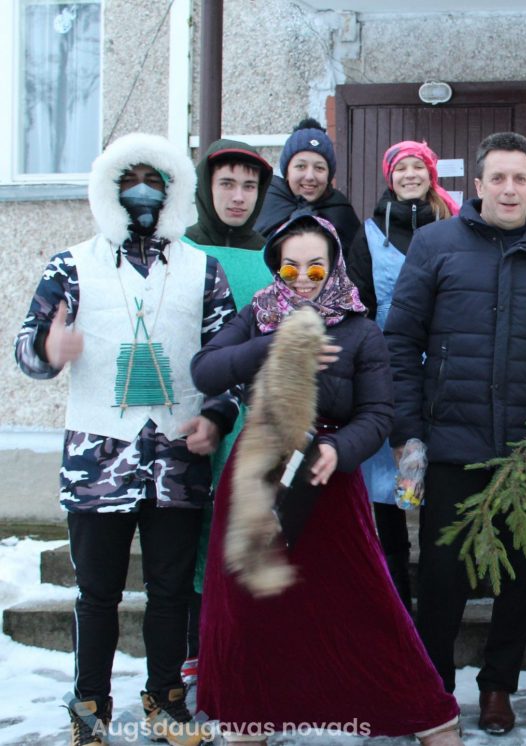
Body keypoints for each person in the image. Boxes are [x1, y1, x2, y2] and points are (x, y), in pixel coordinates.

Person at [190, 215, 461, 745]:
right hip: (259, 480)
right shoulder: (258, 314)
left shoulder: (360, 329)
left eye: (316, 267)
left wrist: (340, 448)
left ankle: (430, 717)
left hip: (329, 486)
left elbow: (378, 415)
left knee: (365, 606)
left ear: (333, 266)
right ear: (277, 266)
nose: (303, 279)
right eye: (291, 267)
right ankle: (249, 719)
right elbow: (206, 369)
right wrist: (276, 344)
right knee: (249, 609)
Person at [13, 133, 238, 746]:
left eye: (154, 181)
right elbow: (26, 347)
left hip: (177, 457)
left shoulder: (203, 269)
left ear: (173, 192)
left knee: (170, 590)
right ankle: (90, 707)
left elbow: (227, 361)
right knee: (97, 593)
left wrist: (217, 418)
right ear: (109, 191)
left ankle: (166, 701)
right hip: (97, 459)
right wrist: (48, 349)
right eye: (129, 180)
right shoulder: (70, 265)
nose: (142, 192)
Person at [383, 131, 526, 735]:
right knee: (441, 579)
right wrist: (409, 431)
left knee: (519, 579)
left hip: (524, 451)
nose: (509, 189)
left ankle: (498, 688)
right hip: (450, 444)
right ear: (478, 185)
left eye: (519, 178)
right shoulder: (435, 244)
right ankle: (435, 688)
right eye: (498, 178)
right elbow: (400, 341)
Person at [345, 140, 460, 611]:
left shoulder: (453, 227)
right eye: (401, 168)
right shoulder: (368, 234)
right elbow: (356, 303)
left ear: (431, 175)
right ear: (389, 177)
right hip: (385, 366)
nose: (410, 174)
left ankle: (436, 594)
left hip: (444, 367)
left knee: (440, 481)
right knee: (384, 484)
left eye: (418, 167)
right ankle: (394, 594)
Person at [181, 137, 274, 684]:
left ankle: (242, 649)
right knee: (192, 532)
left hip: (252, 421)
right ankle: (196, 646)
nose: (238, 197)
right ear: (205, 188)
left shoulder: (271, 259)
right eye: (227, 184)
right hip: (192, 417)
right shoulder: (181, 251)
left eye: (249, 186)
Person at [254, 118, 362, 249]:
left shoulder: (341, 212)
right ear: (287, 172)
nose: (310, 176)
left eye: (319, 168)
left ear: (329, 176)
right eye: (301, 166)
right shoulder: (266, 201)